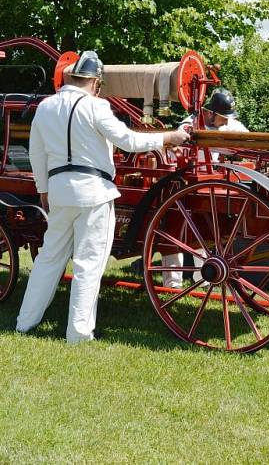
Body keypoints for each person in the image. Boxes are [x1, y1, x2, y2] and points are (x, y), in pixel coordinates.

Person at [16, 51, 189, 343]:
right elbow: (129, 141)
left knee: (48, 259)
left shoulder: (45, 107)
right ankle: (79, 334)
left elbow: (36, 153)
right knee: (88, 263)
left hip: (58, 191)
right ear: (96, 82)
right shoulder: (97, 107)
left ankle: (25, 323)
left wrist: (43, 190)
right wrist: (169, 137)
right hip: (94, 192)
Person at [161, 88, 248, 289]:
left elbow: (247, 138)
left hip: (207, 185)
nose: (226, 122)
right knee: (174, 235)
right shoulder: (188, 125)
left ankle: (203, 279)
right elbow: (176, 148)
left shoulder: (228, 124)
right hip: (182, 185)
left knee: (203, 233)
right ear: (210, 113)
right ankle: (172, 284)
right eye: (223, 118)